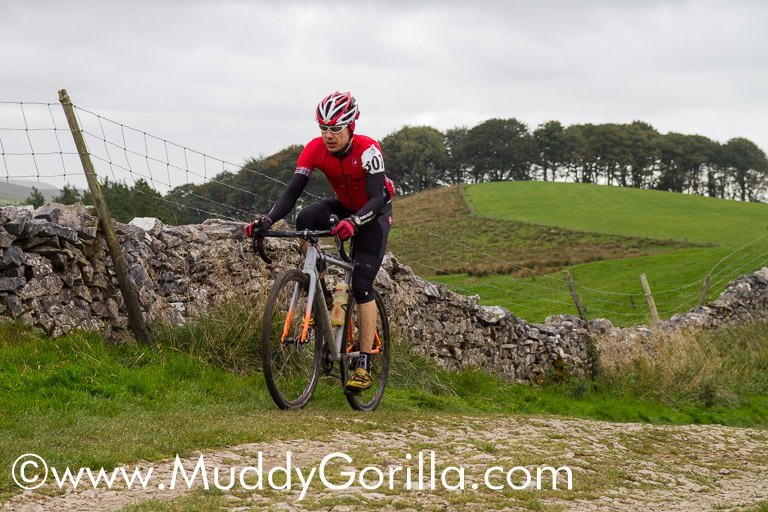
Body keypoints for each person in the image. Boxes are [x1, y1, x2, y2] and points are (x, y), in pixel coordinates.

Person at [245, 91, 394, 392]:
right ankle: (323, 291)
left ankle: (364, 364)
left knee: (362, 284)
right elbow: (292, 193)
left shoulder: (368, 149)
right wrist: (268, 220)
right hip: (345, 206)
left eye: (335, 129)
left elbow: (377, 199)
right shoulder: (314, 149)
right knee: (305, 219)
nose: (328, 135)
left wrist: (354, 222)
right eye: (323, 128)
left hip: (373, 214)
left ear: (351, 126)